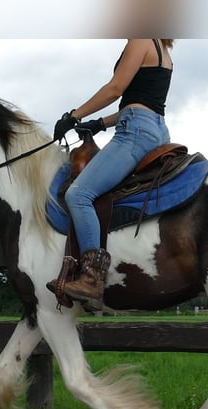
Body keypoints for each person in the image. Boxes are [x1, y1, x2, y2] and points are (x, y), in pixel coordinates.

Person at [48, 39, 175, 311]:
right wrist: (100, 124)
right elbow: (141, 103)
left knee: (79, 194)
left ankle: (91, 279)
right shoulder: (163, 50)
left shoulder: (140, 40)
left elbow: (116, 89)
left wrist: (74, 116)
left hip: (135, 133)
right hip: (156, 130)